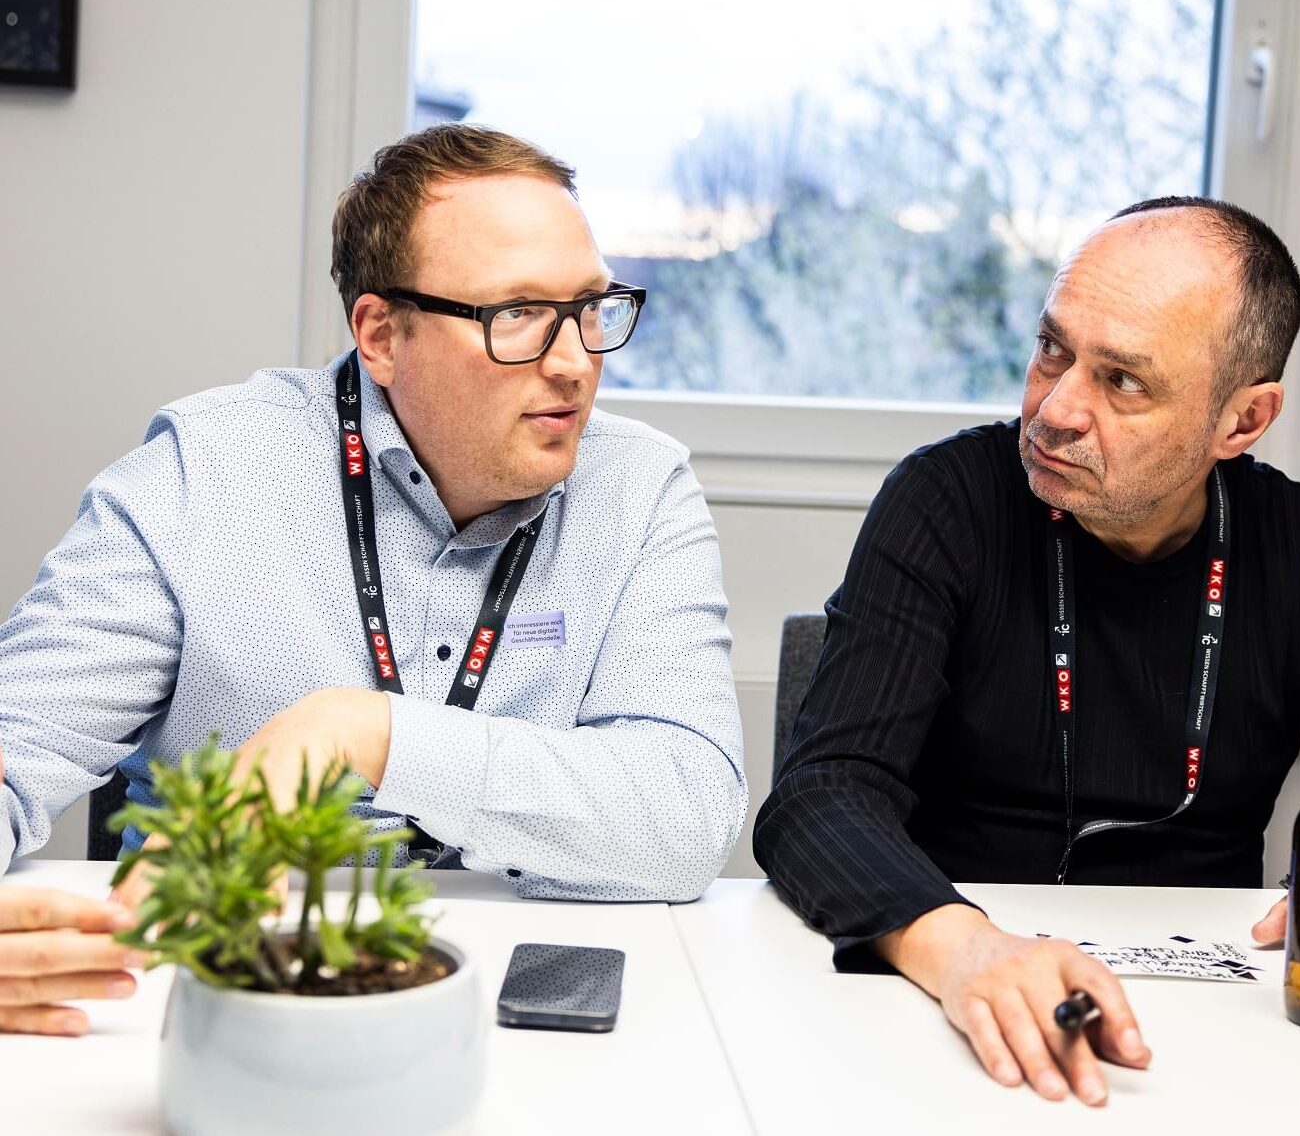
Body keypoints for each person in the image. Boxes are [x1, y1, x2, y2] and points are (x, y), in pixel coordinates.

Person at [0, 124, 747, 1034]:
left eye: (589, 308)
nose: (574, 361)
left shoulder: (641, 490)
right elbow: (14, 745)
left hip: (512, 1015)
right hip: (214, 996)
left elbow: (687, 817)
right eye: (515, 313)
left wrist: (368, 732)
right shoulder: (204, 474)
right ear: (381, 334)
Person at [755, 197, 1300, 1105]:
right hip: (950, 983)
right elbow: (819, 795)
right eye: (1053, 350)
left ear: (1241, 422)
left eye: (1124, 381)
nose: (1054, 410)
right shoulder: (948, 501)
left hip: (1217, 1025)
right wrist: (962, 947)